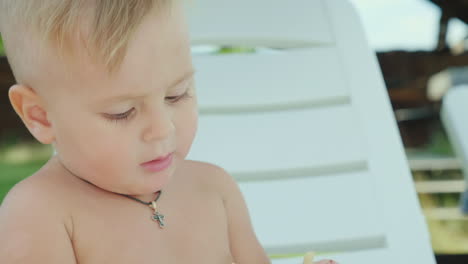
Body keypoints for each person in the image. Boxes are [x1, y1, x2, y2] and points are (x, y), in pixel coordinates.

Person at [0, 1, 337, 263]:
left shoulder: (214, 190)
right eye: (123, 112)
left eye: (177, 94)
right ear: (41, 115)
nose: (163, 129)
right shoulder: (39, 214)